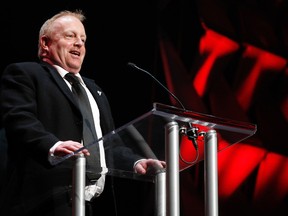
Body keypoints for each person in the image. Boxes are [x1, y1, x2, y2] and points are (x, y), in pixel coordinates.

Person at [0, 9, 165, 216]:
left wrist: (136, 161)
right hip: (42, 201)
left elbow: (108, 143)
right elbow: (20, 121)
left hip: (88, 203)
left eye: (83, 39)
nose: (79, 43)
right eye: (70, 36)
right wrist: (53, 145)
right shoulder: (25, 74)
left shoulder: (94, 90)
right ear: (45, 43)